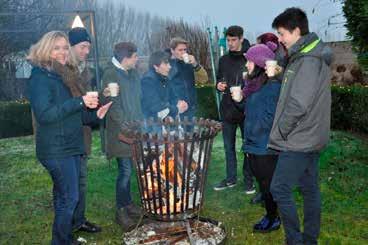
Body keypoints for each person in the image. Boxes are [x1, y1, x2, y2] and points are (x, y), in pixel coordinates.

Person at [27, 31, 111, 245]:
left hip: (70, 145)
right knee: (70, 198)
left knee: (63, 196)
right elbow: (46, 115)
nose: (63, 52)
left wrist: (95, 114)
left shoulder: (60, 75)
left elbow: (74, 114)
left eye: (65, 47)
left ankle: (62, 238)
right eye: (57, 48)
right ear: (45, 50)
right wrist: (80, 102)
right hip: (56, 149)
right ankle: (61, 241)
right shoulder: (40, 77)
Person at [268, 7, 333, 245]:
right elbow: (299, 86)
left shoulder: (308, 59)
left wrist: (282, 129)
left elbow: (298, 102)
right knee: (309, 189)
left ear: (296, 31)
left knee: (280, 189)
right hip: (311, 135)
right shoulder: (308, 55)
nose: (280, 39)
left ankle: (295, 240)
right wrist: (279, 74)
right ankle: (310, 239)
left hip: (299, 137)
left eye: (283, 34)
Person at [232, 42, 282, 232]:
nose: (246, 65)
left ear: (260, 64)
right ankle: (270, 214)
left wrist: (258, 130)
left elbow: (274, 117)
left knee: (268, 185)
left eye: (250, 62)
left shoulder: (272, 87)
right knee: (263, 183)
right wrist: (239, 101)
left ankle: (274, 218)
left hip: (265, 145)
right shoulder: (253, 86)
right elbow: (249, 111)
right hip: (252, 143)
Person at [102, 42, 143, 231]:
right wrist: (127, 126)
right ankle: (121, 211)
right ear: (126, 57)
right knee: (125, 172)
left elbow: (137, 100)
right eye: (135, 56)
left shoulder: (133, 73)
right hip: (121, 133)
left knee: (130, 170)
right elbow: (113, 105)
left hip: (134, 130)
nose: (137, 59)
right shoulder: (110, 74)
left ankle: (128, 204)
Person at [213, 25, 255, 195]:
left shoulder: (249, 58)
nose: (230, 43)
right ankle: (230, 179)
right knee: (228, 148)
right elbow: (218, 81)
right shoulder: (223, 60)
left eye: (233, 40)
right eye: (228, 40)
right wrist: (219, 85)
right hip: (228, 110)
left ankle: (249, 180)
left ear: (241, 39)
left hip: (246, 110)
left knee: (248, 147)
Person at [68, 27, 101, 234]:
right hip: (68, 136)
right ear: (70, 48)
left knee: (81, 183)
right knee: (68, 188)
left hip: (83, 135)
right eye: (83, 46)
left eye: (88, 47)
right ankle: (67, 225)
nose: (87, 51)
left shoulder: (83, 71)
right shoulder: (63, 72)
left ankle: (78, 220)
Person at [141, 50, 188, 121]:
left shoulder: (165, 78)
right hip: (151, 124)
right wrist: (176, 109)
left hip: (165, 121)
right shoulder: (147, 81)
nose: (169, 66)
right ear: (156, 66)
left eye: (169, 63)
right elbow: (155, 106)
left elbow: (173, 97)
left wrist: (181, 103)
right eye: (166, 63)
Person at [168, 37, 208, 119]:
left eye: (185, 50)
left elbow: (204, 79)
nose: (183, 52)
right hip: (175, 110)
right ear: (172, 50)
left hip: (191, 109)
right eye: (180, 50)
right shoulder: (166, 65)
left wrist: (195, 64)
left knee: (192, 131)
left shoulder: (189, 64)